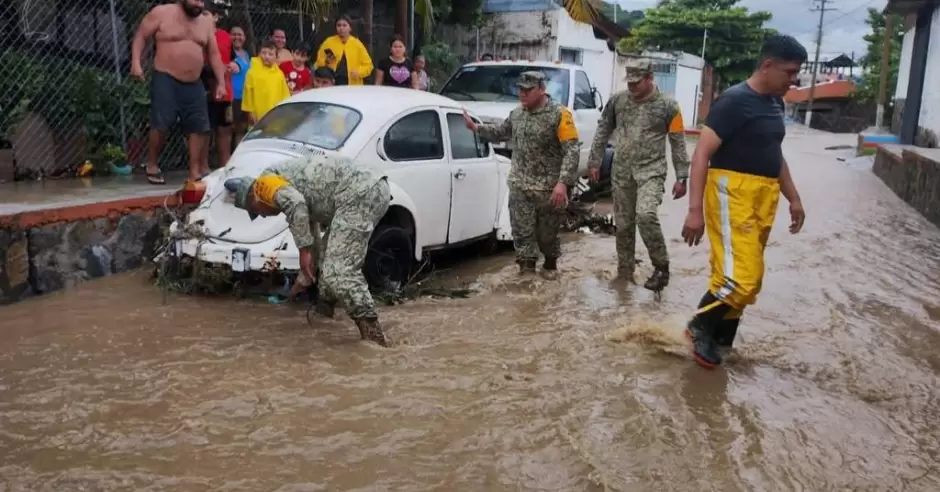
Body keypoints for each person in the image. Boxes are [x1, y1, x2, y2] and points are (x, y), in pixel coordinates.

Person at [680, 34, 808, 369]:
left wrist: (793, 198)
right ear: (767, 65)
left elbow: (774, 154)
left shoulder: (776, 104)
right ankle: (698, 327)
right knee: (742, 276)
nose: (793, 80)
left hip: (763, 196)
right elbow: (701, 154)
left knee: (748, 276)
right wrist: (694, 211)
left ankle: (721, 338)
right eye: (789, 72)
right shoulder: (734, 101)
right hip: (731, 192)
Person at [223, 153, 392, 346]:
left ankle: (375, 339)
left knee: (339, 272)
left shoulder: (263, 185)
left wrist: (303, 251)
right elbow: (312, 242)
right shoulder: (286, 184)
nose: (264, 216)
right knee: (326, 263)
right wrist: (304, 276)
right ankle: (324, 316)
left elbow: (296, 205)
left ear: (254, 202)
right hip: (370, 188)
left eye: (258, 213)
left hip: (360, 193)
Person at [463, 71, 580, 279]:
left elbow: (571, 150)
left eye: (528, 90)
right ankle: (526, 277)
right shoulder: (517, 114)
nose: (523, 94)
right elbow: (500, 131)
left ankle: (550, 268)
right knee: (522, 235)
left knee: (547, 238)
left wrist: (563, 183)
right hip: (520, 186)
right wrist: (476, 127)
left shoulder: (559, 115)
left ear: (542, 89)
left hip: (548, 190)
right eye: (520, 89)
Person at [586, 57, 690, 292]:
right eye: (629, 82)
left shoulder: (668, 106)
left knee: (645, 214)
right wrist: (595, 160)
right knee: (623, 225)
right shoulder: (618, 101)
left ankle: (661, 267)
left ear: (650, 78)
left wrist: (682, 176)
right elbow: (603, 129)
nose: (632, 87)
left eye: (637, 82)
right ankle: (625, 275)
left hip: (651, 172)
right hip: (622, 172)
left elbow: (678, 142)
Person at [130, 0, 227, 185]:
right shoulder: (162, 13)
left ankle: (194, 171)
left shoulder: (206, 22)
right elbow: (141, 36)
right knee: (162, 122)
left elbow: (214, 53)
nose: (198, 4)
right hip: (166, 76)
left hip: (194, 81)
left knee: (199, 126)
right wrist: (136, 62)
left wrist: (221, 83)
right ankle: (152, 164)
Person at [203, 0, 234, 171]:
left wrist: (234, 64)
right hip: (204, 89)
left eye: (206, 14)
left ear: (215, 17)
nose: (203, 18)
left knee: (224, 129)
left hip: (224, 92)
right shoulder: (196, 36)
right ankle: (203, 167)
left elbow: (234, 57)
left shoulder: (225, 36)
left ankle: (225, 167)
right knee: (204, 130)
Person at [314, 15, 373, 86]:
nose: (341, 28)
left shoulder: (357, 44)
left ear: (350, 28)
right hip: (332, 82)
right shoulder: (328, 42)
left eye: (344, 25)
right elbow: (318, 63)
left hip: (352, 84)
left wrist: (358, 72)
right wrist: (326, 62)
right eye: (339, 25)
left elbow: (369, 65)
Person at [241, 41, 291, 124]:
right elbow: (248, 93)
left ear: (276, 57)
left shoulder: (279, 74)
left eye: (270, 54)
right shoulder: (252, 72)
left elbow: (285, 94)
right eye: (263, 53)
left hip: (275, 113)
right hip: (258, 111)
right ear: (259, 54)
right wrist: (250, 111)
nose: (266, 56)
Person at [229, 25, 252, 144]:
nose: (237, 37)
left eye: (240, 35)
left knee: (242, 129)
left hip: (246, 97)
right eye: (234, 34)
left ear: (244, 38)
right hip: (234, 97)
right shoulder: (228, 53)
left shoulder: (247, 54)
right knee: (232, 129)